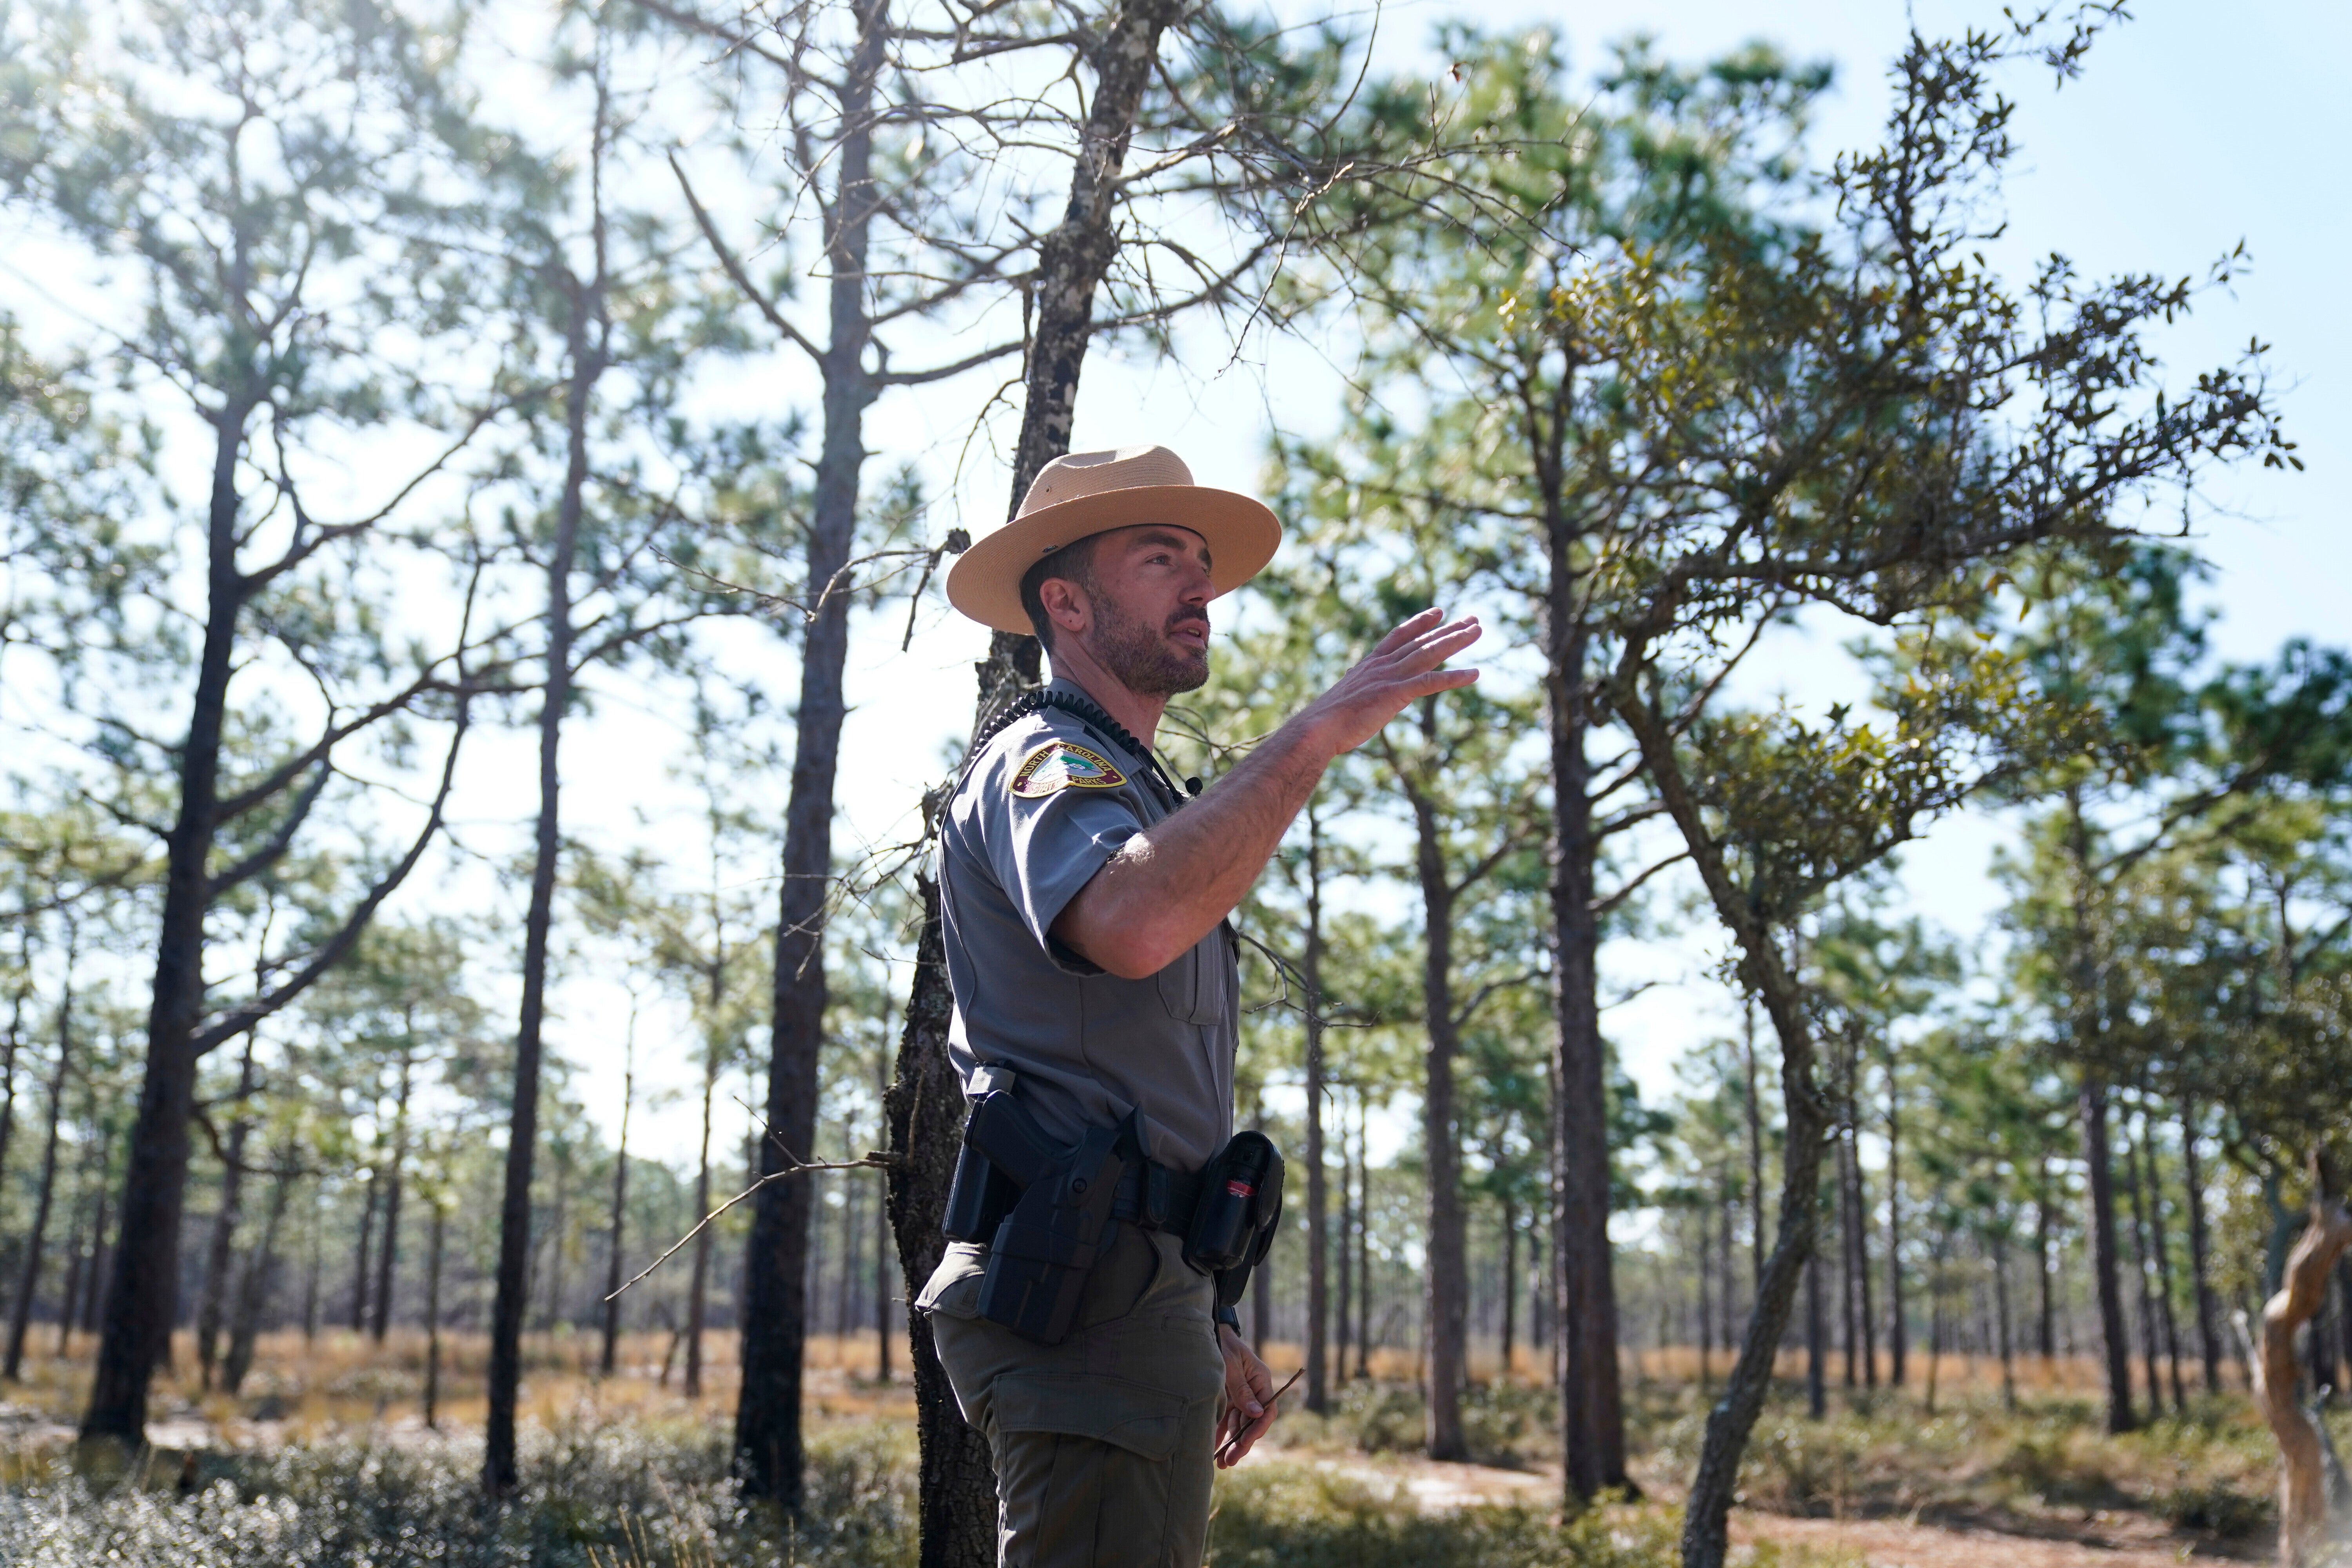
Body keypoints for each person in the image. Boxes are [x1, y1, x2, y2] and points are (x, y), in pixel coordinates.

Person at [916, 444, 1480, 1568]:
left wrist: (1204, 1309)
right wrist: (1313, 735)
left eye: (1203, 563)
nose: (1199, 587)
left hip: (1133, 1299)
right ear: (1066, 603)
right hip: (1081, 1311)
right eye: (1159, 555)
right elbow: (1131, 923)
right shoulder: (1043, 761)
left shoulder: (1137, 787)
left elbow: (1134, 1091)